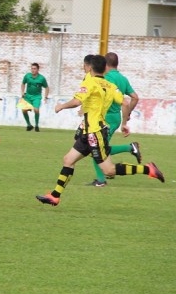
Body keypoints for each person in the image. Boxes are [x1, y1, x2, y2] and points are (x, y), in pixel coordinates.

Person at [36, 54, 164, 207]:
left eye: (85, 66)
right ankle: (55, 196)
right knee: (68, 160)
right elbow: (125, 102)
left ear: (89, 67)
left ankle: (148, 169)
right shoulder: (110, 86)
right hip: (88, 131)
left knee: (109, 170)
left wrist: (61, 106)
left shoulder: (90, 82)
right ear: (104, 68)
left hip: (95, 133)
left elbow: (77, 101)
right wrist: (124, 122)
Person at [87, 52, 142, 187]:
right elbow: (135, 97)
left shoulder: (105, 77)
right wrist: (127, 116)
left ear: (105, 64)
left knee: (97, 150)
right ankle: (129, 149)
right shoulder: (123, 79)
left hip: (105, 118)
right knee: (100, 148)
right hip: (115, 117)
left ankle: (101, 180)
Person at [20, 62, 49, 131]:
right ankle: (29, 125)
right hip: (28, 96)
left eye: (34, 69)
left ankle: (36, 125)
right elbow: (23, 84)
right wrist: (22, 92)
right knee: (23, 110)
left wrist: (45, 97)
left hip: (37, 97)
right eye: (32, 68)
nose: (33, 70)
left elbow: (47, 87)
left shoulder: (41, 78)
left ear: (38, 69)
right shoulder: (27, 76)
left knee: (36, 110)